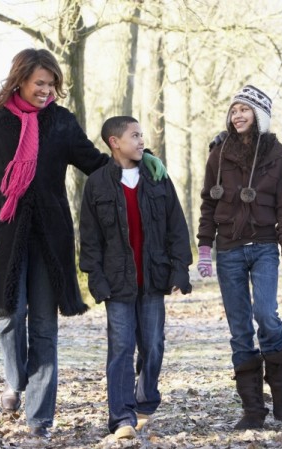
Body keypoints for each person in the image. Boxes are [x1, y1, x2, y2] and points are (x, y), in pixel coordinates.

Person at [0, 49, 166, 439]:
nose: (46, 90)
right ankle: (15, 379)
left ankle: (39, 422)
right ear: (20, 79)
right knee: (8, 316)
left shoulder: (60, 121)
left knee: (43, 326)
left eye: (52, 84)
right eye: (40, 82)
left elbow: (94, 161)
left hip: (50, 237)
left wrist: (143, 157)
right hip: (4, 235)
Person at [79, 116, 192, 440]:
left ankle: (145, 401)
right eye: (135, 135)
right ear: (115, 142)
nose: (142, 141)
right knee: (121, 349)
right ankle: (122, 418)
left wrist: (179, 268)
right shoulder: (98, 184)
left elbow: (176, 225)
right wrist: (96, 279)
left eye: (142, 135)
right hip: (118, 283)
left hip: (154, 278)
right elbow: (90, 238)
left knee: (153, 346)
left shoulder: (157, 177)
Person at [197, 85, 282, 430]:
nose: (237, 115)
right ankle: (253, 410)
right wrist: (204, 248)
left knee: (264, 314)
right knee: (240, 329)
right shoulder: (219, 152)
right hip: (228, 249)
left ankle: (281, 384)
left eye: (245, 109)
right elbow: (208, 204)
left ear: (261, 115)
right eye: (234, 110)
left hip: (264, 246)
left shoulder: (281, 156)